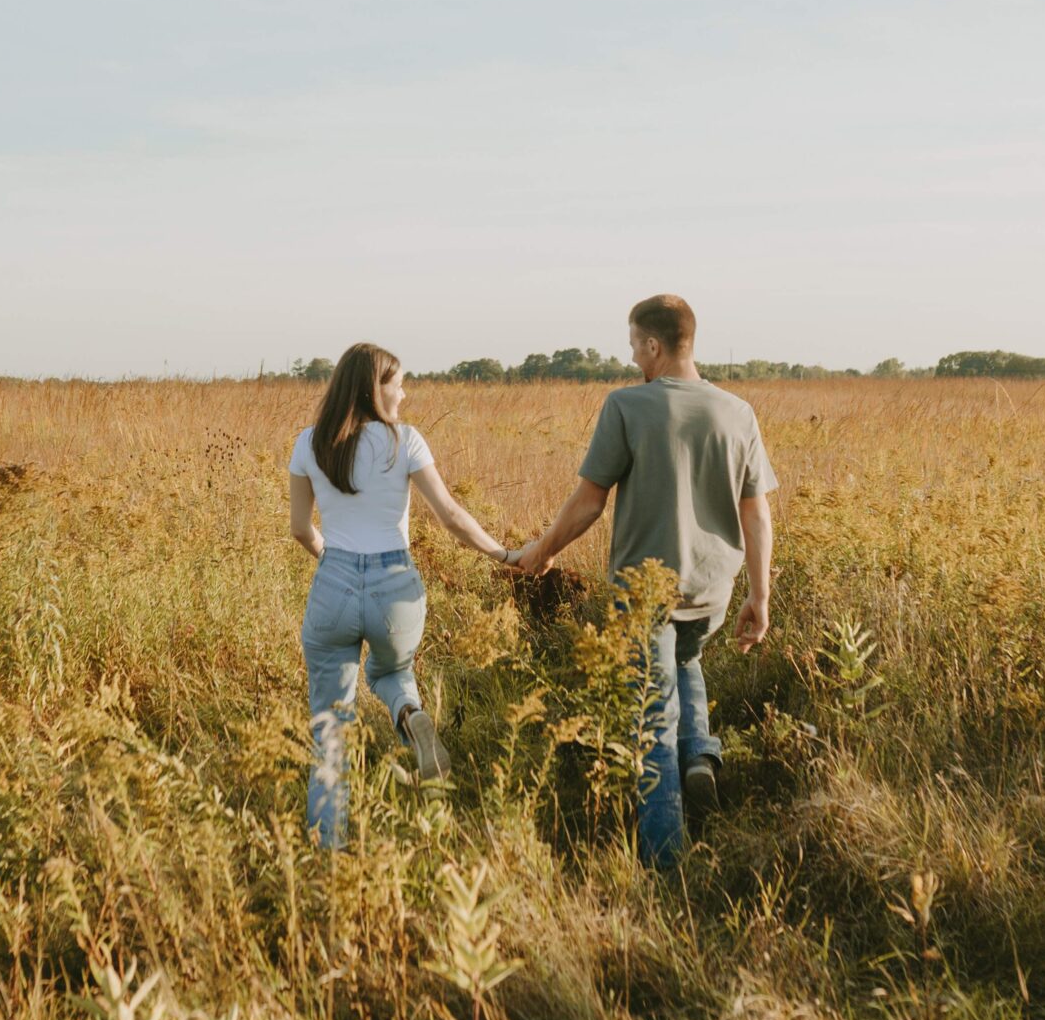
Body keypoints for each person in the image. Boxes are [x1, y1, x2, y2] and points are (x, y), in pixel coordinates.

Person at [514, 294, 776, 866]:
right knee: (685, 661)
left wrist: (542, 550)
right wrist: (759, 596)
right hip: (712, 590)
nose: (632, 356)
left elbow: (588, 503)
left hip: (646, 594)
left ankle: (665, 862)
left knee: (652, 718)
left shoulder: (627, 407)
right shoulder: (738, 412)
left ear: (654, 345)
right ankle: (701, 758)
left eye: (634, 344)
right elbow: (756, 514)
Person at [289, 342, 519, 849]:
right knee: (391, 672)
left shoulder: (309, 443)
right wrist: (504, 555)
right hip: (396, 586)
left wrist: (332, 558)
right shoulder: (406, 442)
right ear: (376, 388)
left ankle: (329, 849)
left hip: (334, 585)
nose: (404, 393)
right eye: (398, 383)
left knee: (330, 724)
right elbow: (452, 518)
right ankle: (408, 715)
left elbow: (300, 529)